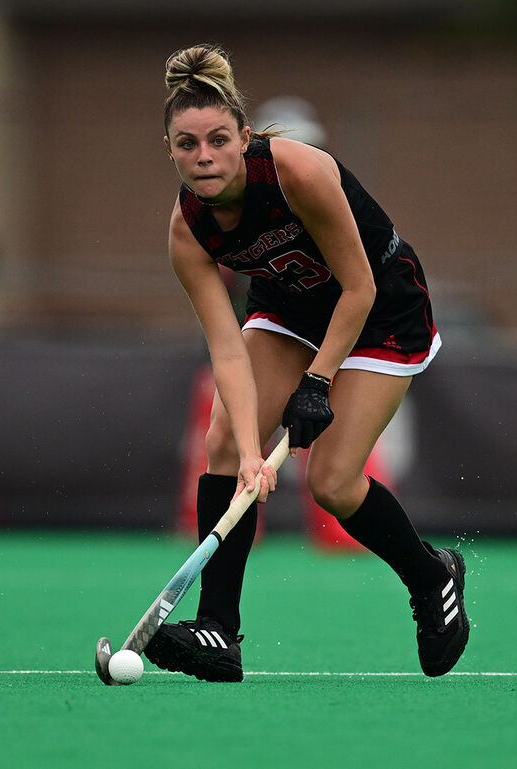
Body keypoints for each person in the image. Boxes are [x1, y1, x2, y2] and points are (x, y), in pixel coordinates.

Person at [145, 44, 469, 682]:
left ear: (244, 138)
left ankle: (433, 578)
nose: (204, 156)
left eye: (217, 140)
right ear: (170, 149)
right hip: (289, 307)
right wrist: (246, 451)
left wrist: (318, 385)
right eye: (188, 144)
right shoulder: (188, 229)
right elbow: (227, 349)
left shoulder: (299, 171)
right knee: (220, 446)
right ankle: (219, 630)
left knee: (332, 484)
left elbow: (360, 288)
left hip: (379, 309)